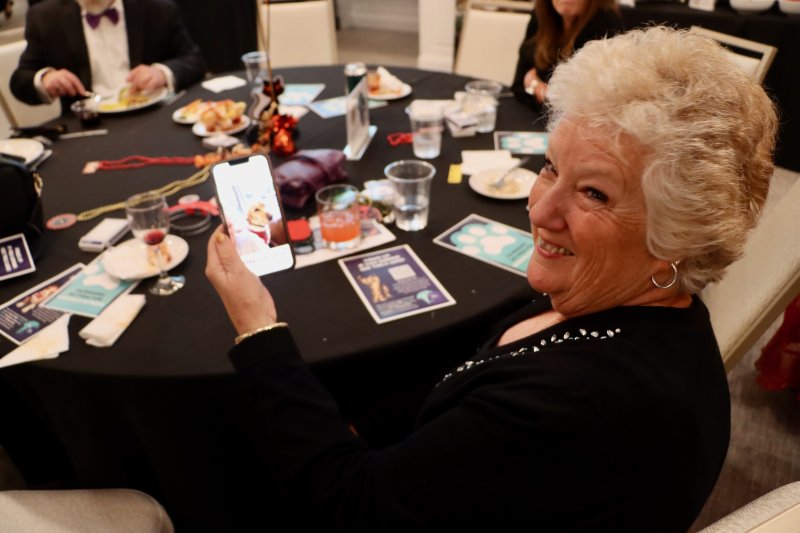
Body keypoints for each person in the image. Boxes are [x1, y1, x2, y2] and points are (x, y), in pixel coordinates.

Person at [206, 26, 778, 530]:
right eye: (551, 166)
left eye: (594, 193)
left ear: (672, 241)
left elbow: (355, 505)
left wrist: (258, 329)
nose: (540, 209)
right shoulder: (643, 303)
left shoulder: (568, 410)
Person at [9, 0, 205, 107]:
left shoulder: (157, 8)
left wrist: (162, 72)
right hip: (87, 129)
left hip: (155, 115)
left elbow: (195, 60)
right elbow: (20, 81)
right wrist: (45, 79)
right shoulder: (44, 17)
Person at [511, 0, 623, 108]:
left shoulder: (606, 25)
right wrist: (550, 98)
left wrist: (536, 86)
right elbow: (518, 86)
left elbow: (585, 109)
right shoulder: (542, 14)